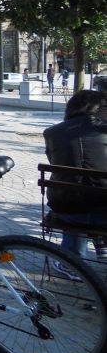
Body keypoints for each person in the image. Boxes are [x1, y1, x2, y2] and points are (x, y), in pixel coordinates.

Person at [43, 90, 107, 261]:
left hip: (65, 207)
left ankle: (71, 261)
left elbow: (54, 161)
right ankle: (99, 243)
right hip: (103, 212)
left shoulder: (52, 132)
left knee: (77, 194)